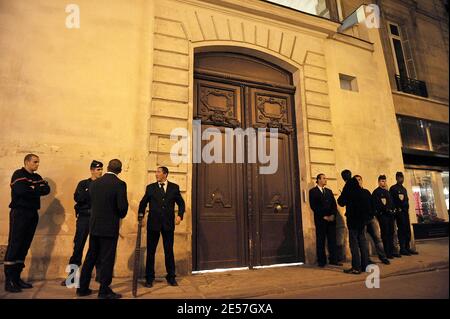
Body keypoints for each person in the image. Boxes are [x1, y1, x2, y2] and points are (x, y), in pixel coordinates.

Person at [77, 159, 128, 299]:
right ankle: (104, 290)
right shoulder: (120, 184)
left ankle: (82, 288)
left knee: (90, 257)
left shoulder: (95, 183)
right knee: (107, 259)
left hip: (94, 226)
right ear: (120, 170)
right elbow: (122, 208)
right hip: (109, 227)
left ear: (107, 168)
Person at [4, 154, 50, 293]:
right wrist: (36, 189)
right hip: (20, 213)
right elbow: (20, 190)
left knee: (24, 246)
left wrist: (32, 188)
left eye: (38, 162)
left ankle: (17, 278)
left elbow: (46, 189)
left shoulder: (37, 176)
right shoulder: (19, 174)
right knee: (15, 245)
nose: (37, 164)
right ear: (27, 162)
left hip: (32, 213)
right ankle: (9, 281)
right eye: (35, 162)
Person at [138, 166, 186, 287]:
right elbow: (143, 203)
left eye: (158, 172)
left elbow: (181, 203)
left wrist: (180, 215)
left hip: (168, 224)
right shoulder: (150, 188)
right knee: (151, 252)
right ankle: (149, 278)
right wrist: (141, 216)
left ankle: (171, 276)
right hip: (153, 224)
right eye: (156, 172)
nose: (156, 174)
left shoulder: (174, 188)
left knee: (169, 251)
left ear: (165, 174)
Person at [61, 160, 103, 286]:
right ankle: (72, 277)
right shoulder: (83, 183)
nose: (100, 171)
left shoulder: (103, 184)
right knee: (78, 247)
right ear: (91, 170)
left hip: (97, 218)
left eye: (101, 169)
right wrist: (90, 191)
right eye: (97, 169)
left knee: (98, 247)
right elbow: (78, 198)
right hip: (84, 218)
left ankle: (100, 275)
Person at [354, 175, 390, 265]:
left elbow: (372, 203)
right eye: (356, 180)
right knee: (364, 241)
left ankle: (383, 257)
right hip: (362, 220)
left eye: (359, 180)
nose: (358, 181)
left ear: (362, 181)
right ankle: (367, 259)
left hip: (371, 218)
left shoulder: (366, 192)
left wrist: (373, 214)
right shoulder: (353, 193)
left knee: (377, 238)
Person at [338, 177, 371, 274]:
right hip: (362, 221)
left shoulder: (349, 192)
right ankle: (365, 265)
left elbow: (340, 202)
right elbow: (370, 206)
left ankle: (356, 267)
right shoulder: (364, 192)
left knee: (354, 244)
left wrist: (344, 191)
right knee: (363, 243)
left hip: (353, 222)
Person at [309, 174, 342, 268]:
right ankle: (321, 261)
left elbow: (334, 205)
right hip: (320, 220)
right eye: (324, 178)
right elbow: (314, 206)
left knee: (332, 240)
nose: (325, 180)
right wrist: (324, 216)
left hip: (331, 220)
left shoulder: (329, 191)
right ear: (318, 180)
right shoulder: (313, 192)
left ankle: (334, 260)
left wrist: (332, 215)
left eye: (326, 178)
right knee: (321, 240)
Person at [390, 172, 418, 255]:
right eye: (399, 178)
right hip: (399, 213)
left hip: (405, 212)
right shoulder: (393, 188)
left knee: (407, 230)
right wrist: (396, 210)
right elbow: (391, 201)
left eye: (402, 178)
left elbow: (406, 200)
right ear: (396, 178)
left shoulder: (404, 189)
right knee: (401, 230)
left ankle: (407, 247)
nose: (401, 179)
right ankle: (402, 249)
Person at [372, 175, 400, 259]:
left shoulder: (387, 192)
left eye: (384, 181)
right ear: (378, 182)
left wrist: (393, 210)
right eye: (382, 181)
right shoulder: (376, 192)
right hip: (383, 216)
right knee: (385, 234)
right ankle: (387, 253)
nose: (383, 182)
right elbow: (375, 205)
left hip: (390, 216)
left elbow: (391, 203)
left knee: (391, 233)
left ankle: (391, 252)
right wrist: (379, 213)